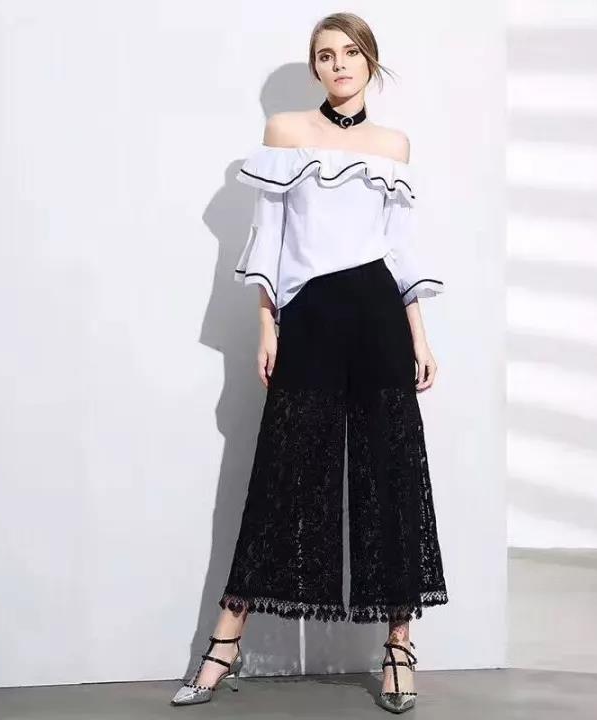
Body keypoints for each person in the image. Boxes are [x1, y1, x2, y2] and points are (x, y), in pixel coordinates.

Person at [171, 12, 448, 715]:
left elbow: (399, 248)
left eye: (350, 53)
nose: (338, 64)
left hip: (379, 316)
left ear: (370, 62)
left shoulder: (393, 145)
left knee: (392, 476)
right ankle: (224, 645)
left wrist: (419, 336)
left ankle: (398, 646)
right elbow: (269, 236)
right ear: (315, 67)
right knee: (282, 474)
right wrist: (269, 325)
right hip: (312, 316)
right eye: (325, 55)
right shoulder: (286, 132)